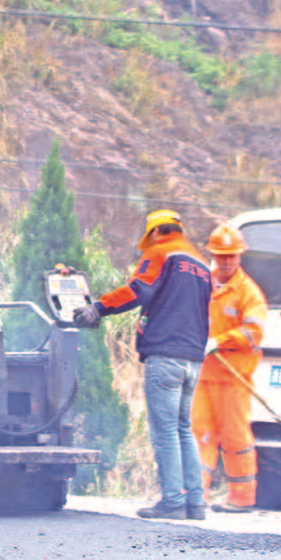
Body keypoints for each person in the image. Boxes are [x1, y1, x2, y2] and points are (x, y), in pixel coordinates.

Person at [74, 209, 212, 520]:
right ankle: (195, 503)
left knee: (164, 431)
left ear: (154, 233)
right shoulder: (202, 264)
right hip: (193, 358)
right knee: (182, 429)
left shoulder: (160, 252)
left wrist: (99, 308)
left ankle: (173, 502)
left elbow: (139, 290)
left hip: (165, 354)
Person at [193, 224, 268, 513]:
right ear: (212, 255)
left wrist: (221, 341)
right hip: (204, 376)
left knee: (235, 436)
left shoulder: (248, 293)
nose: (226, 261)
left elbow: (254, 332)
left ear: (240, 257)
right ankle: (193, 494)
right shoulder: (204, 285)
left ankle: (242, 498)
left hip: (233, 378)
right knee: (199, 433)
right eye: (221, 256)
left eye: (232, 256)